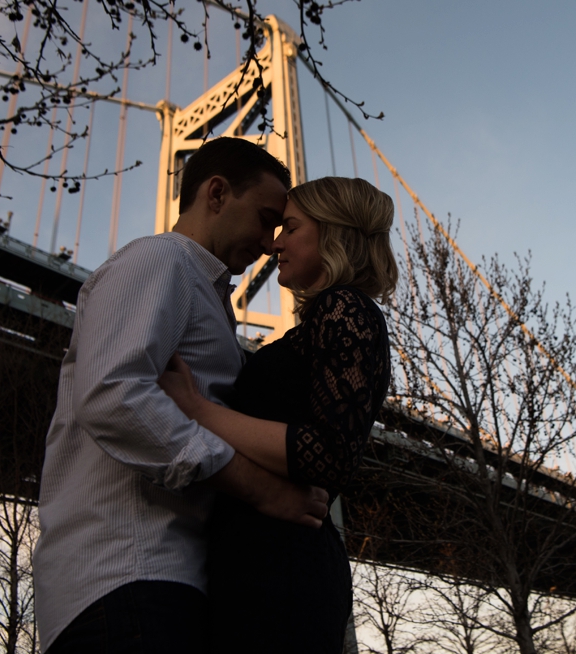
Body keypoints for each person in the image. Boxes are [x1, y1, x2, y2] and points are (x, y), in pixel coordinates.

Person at [33, 137, 329, 653]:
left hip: (161, 587)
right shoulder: (161, 261)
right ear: (216, 194)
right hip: (128, 578)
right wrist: (259, 488)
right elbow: (112, 394)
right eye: (263, 218)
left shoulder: (202, 292)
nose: (267, 243)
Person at [158, 176, 398, 653]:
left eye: (290, 227)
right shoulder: (321, 324)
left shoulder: (344, 308)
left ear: (331, 234)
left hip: (281, 569)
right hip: (259, 560)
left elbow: (326, 453)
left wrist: (197, 409)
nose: (274, 243)